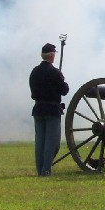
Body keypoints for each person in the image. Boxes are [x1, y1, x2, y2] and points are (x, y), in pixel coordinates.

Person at [29, 42, 69, 177]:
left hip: (38, 108)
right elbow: (64, 91)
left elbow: (33, 92)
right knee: (52, 144)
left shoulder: (34, 71)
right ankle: (46, 170)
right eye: (54, 54)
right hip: (52, 110)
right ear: (51, 55)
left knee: (40, 142)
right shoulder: (55, 73)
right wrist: (63, 81)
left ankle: (40, 170)